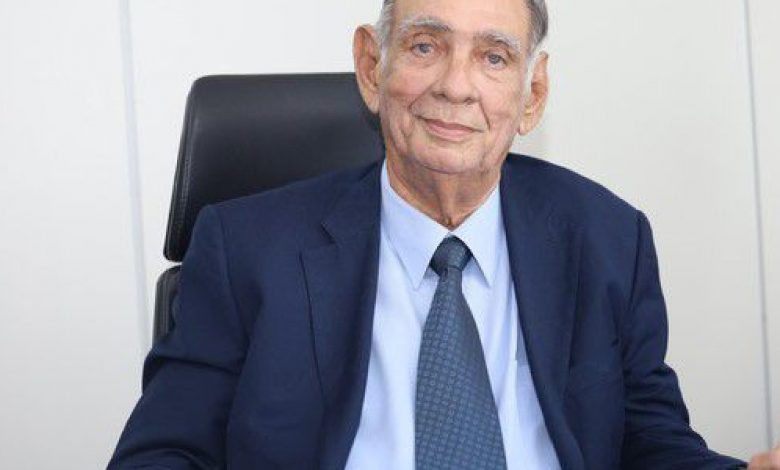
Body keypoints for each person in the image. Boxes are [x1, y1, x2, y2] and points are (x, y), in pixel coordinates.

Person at [109, 0, 780, 468]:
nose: (456, 87)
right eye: (426, 46)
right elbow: (163, 454)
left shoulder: (608, 239)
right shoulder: (247, 249)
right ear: (371, 67)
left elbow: (652, 444)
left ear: (532, 95)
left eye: (494, 57)